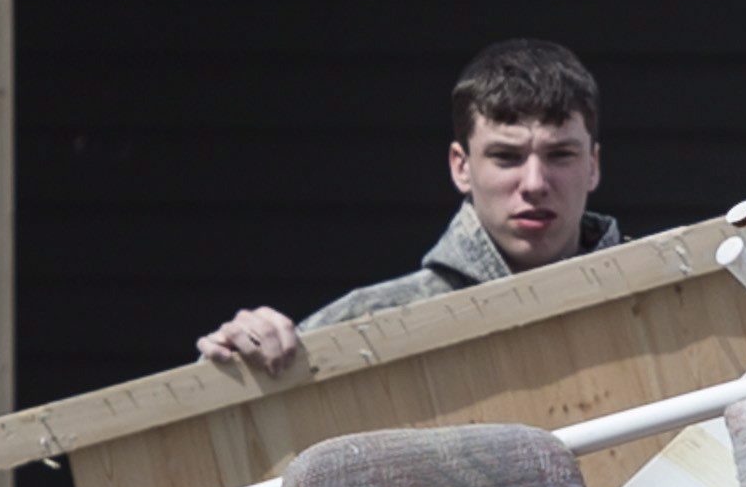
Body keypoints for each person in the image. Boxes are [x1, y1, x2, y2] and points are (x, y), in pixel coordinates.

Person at [199, 36, 621, 378]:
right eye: (507, 157)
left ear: (593, 166)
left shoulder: (669, 303)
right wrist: (234, 366)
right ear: (461, 167)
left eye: (560, 155)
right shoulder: (365, 324)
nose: (534, 184)